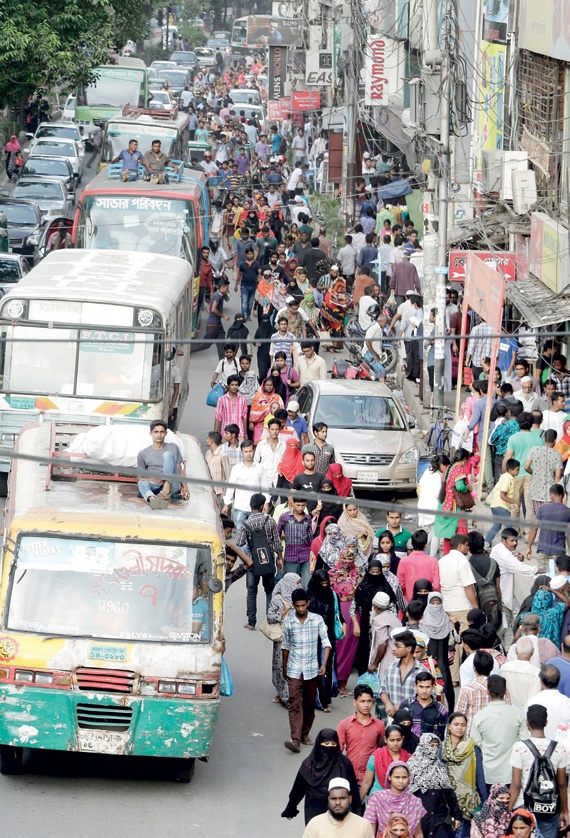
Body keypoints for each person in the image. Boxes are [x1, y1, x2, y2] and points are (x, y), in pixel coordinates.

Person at [282, 588, 332, 753]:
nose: (301, 609)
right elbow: (285, 647)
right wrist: (284, 667)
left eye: (303, 605)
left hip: (312, 669)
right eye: (298, 606)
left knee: (309, 704)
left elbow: (326, 642)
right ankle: (295, 739)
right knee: (294, 704)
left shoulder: (317, 620)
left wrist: (324, 664)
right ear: (294, 606)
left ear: (308, 604)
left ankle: (304, 734)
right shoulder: (288, 622)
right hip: (294, 669)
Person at [510, 704, 569, 838]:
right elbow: (562, 784)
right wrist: (565, 810)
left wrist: (508, 809)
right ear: (546, 723)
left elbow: (516, 784)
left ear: (527, 723)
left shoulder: (519, 747)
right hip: (549, 807)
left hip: (523, 805)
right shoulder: (559, 748)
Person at [282, 730, 361, 825]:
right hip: (314, 810)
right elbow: (298, 789)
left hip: (339, 811)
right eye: (326, 743)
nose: (330, 747)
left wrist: (358, 811)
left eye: (333, 744)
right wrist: (291, 807)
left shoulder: (344, 764)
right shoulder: (309, 765)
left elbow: (353, 788)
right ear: (319, 744)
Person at [235, 493, 282, 631]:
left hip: (252, 563)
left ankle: (251, 622)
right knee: (269, 591)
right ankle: (270, 619)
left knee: (251, 591)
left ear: (251, 506)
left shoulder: (246, 524)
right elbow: (277, 543)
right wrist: (280, 558)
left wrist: (247, 556)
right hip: (268, 561)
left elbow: (239, 542)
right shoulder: (270, 521)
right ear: (262, 506)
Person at [471, 674, 527, 786]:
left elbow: (476, 744)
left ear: (487, 692)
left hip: (488, 773)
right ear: (506, 692)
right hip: (512, 773)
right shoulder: (517, 714)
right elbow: (524, 741)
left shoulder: (480, 717)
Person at [438, 532, 478, 684]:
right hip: (461, 606)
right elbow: (468, 586)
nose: (468, 548)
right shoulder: (462, 561)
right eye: (467, 545)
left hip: (446, 606)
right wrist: (475, 607)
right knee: (462, 643)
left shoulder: (442, 561)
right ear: (461, 546)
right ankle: (462, 677)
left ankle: (453, 678)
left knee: (451, 643)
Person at [407, 733, 462, 837]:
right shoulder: (411, 768)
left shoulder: (440, 768)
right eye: (431, 746)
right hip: (419, 820)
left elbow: (449, 794)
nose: (434, 749)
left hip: (439, 819)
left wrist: (457, 815)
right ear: (423, 746)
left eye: (437, 746)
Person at [441, 711, 486, 838]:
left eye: (463, 725)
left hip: (468, 802)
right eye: (456, 724)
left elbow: (479, 776)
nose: (459, 728)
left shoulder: (472, 747)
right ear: (449, 726)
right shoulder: (442, 748)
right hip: (446, 802)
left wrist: (484, 801)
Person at [329, 543, 364, 696]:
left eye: (350, 559)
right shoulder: (331, 574)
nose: (346, 562)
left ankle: (342, 683)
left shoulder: (358, 575)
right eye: (344, 558)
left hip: (353, 614)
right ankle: (331, 681)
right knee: (336, 646)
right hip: (336, 612)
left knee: (349, 649)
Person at [352, 562, 398, 675]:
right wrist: (356, 624)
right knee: (365, 651)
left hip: (383, 626)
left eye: (377, 572)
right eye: (372, 572)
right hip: (365, 624)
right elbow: (353, 607)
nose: (375, 574)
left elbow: (393, 610)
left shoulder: (386, 588)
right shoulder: (362, 587)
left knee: (381, 649)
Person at [307, 569, 344, 711]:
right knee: (316, 668)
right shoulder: (309, 597)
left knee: (327, 667)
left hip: (328, 638)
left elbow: (337, 613)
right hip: (313, 638)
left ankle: (325, 699)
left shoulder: (332, 595)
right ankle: (318, 700)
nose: (324, 585)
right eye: (321, 583)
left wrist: (343, 623)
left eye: (326, 583)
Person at [338, 685, 386, 784]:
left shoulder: (379, 725)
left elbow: (381, 750)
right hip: (349, 774)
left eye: (369, 701)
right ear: (355, 702)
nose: (366, 705)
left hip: (370, 776)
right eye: (362, 701)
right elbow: (338, 750)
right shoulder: (344, 724)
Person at [267, 572, 302, 705]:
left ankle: (291, 695)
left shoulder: (299, 599)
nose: (299, 586)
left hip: (297, 639)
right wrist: (284, 611)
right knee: (281, 667)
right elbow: (270, 617)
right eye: (297, 583)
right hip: (281, 639)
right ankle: (283, 694)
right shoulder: (278, 599)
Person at [490, 528, 537, 626]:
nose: (515, 543)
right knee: (506, 625)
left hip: (503, 590)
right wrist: (540, 570)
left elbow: (510, 561)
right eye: (511, 541)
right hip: (502, 593)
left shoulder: (498, 548)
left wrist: (518, 558)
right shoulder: (503, 554)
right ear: (503, 540)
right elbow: (519, 568)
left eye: (516, 540)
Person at [363, 762, 426, 836]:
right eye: (397, 777)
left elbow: (418, 833)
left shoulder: (415, 801)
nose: (401, 781)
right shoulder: (377, 798)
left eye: (404, 777)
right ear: (389, 777)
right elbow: (370, 829)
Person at [137, 420, 188, 509]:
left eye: (162, 432)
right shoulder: (143, 453)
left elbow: (179, 469)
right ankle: (153, 499)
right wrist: (151, 478)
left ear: (166, 433)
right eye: (156, 432)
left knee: (168, 455)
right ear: (151, 433)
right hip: (156, 484)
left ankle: (166, 491)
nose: (159, 435)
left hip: (173, 484)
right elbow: (139, 476)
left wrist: (185, 487)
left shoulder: (173, 447)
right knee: (142, 482)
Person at [301, 778, 375, 838]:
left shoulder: (363, 825)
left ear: (350, 799)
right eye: (333, 798)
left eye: (342, 798)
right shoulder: (315, 824)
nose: (338, 802)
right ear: (328, 799)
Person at [418, 591, 454, 711]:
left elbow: (452, 642)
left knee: (447, 687)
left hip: (443, 663)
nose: (435, 605)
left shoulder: (447, 621)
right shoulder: (423, 623)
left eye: (438, 602)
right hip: (427, 663)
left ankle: (450, 712)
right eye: (432, 602)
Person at [434, 449, 475, 554]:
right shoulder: (459, 469)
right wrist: (468, 488)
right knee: (461, 535)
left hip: (446, 504)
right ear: (464, 459)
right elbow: (460, 486)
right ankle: (459, 556)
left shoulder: (448, 468)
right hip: (455, 506)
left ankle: (447, 557)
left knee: (448, 537)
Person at [379, 631, 424, 719]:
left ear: (409, 649)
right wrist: (388, 704)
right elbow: (383, 690)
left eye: (398, 646)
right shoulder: (390, 668)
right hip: (393, 718)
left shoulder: (421, 671)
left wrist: (403, 704)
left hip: (414, 718)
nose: (394, 649)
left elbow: (428, 696)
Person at [526, 483, 570, 573]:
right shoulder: (568, 511)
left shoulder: (542, 508)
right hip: (559, 551)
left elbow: (534, 528)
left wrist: (529, 547)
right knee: (557, 581)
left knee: (544, 577)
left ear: (551, 495)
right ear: (563, 495)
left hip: (543, 550)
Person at [523, 664, 570, 739]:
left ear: (541, 681)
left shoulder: (532, 702)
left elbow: (525, 728)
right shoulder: (567, 703)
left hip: (537, 747)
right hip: (562, 748)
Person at [400, 670, 448, 739]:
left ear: (433, 686)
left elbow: (442, 734)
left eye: (427, 687)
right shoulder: (406, 705)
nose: (424, 691)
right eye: (421, 687)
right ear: (415, 686)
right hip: (409, 747)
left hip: (431, 748)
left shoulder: (440, 710)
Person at [277, 497, 313, 588]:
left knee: (306, 585)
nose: (300, 508)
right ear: (293, 503)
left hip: (306, 556)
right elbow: (277, 537)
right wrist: (280, 557)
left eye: (303, 505)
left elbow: (310, 538)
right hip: (290, 557)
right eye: (298, 505)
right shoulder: (284, 517)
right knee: (292, 585)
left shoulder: (308, 519)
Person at [456, 650, 495, 733]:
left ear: (474, 667)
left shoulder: (467, 689)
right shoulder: (499, 688)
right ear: (491, 667)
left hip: (472, 734)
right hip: (493, 733)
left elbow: (459, 715)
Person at [525, 430, 563, 516]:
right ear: (555, 440)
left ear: (544, 439)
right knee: (548, 519)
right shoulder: (557, 455)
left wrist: (534, 473)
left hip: (535, 492)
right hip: (550, 494)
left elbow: (526, 467)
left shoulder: (534, 450)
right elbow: (557, 477)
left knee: (538, 517)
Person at [418, 454, 449, 556]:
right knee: (436, 534)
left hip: (423, 504)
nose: (446, 469)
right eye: (446, 466)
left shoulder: (428, 471)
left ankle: (422, 552)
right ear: (442, 465)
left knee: (432, 532)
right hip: (432, 507)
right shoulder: (437, 476)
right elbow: (438, 494)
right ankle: (431, 556)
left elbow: (420, 484)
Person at [396, 530, 440, 603]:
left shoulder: (403, 561)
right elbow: (436, 586)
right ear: (426, 545)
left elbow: (401, 585)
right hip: (428, 601)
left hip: (409, 602)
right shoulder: (433, 561)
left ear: (412, 543)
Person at [486, 458, 519, 546]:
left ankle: (486, 543)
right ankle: (508, 546)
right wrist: (514, 502)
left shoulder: (504, 476)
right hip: (502, 506)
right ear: (511, 470)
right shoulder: (508, 479)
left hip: (495, 505)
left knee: (496, 526)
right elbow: (503, 495)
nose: (518, 472)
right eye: (517, 470)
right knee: (510, 528)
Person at [205, 431, 229, 508]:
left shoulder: (222, 455)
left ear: (212, 441)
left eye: (207, 438)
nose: (206, 440)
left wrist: (225, 493)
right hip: (208, 490)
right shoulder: (208, 453)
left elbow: (227, 475)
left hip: (219, 491)